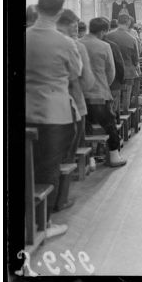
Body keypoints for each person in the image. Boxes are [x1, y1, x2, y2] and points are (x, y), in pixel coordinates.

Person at [26, 0, 82, 238]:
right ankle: (44, 224)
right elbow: (75, 73)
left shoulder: (24, 37)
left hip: (26, 110)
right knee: (49, 167)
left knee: (27, 165)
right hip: (55, 114)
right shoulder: (65, 43)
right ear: (60, 12)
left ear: (37, 9)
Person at [79, 17, 127, 168]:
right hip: (99, 93)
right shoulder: (104, 46)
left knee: (84, 128)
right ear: (102, 31)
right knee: (109, 125)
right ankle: (114, 156)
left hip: (80, 94)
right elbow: (111, 71)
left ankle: (89, 159)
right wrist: (104, 84)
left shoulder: (78, 44)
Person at [56, 10, 96, 171]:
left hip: (42, 106)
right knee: (73, 142)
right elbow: (86, 80)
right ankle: (80, 165)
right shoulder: (76, 46)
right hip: (73, 100)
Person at [106, 14, 140, 113]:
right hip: (128, 72)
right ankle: (125, 114)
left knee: (113, 95)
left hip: (113, 71)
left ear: (117, 22)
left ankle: (114, 115)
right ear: (128, 22)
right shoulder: (131, 39)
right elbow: (136, 59)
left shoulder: (108, 36)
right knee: (127, 95)